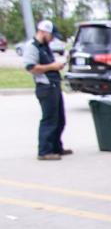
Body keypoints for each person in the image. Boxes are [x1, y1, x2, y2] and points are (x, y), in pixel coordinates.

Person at [23, 19, 69, 160]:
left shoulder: (45, 46)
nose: (52, 38)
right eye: (51, 35)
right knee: (49, 120)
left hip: (54, 85)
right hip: (45, 87)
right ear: (43, 32)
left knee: (59, 119)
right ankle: (44, 151)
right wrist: (52, 67)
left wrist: (60, 63)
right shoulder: (33, 46)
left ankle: (56, 147)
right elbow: (31, 67)